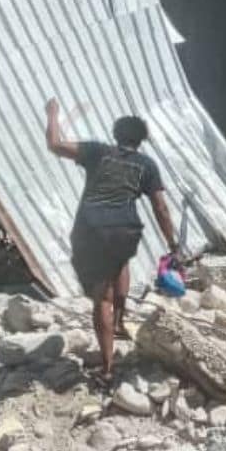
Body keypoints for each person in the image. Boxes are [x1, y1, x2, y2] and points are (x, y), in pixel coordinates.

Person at [45, 99, 178, 386]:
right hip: (124, 229)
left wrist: (53, 114)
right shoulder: (147, 165)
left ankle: (107, 367)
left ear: (116, 134)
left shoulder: (96, 151)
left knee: (100, 298)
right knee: (121, 260)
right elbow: (161, 208)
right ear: (142, 139)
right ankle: (119, 321)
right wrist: (172, 242)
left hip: (91, 229)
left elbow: (55, 145)